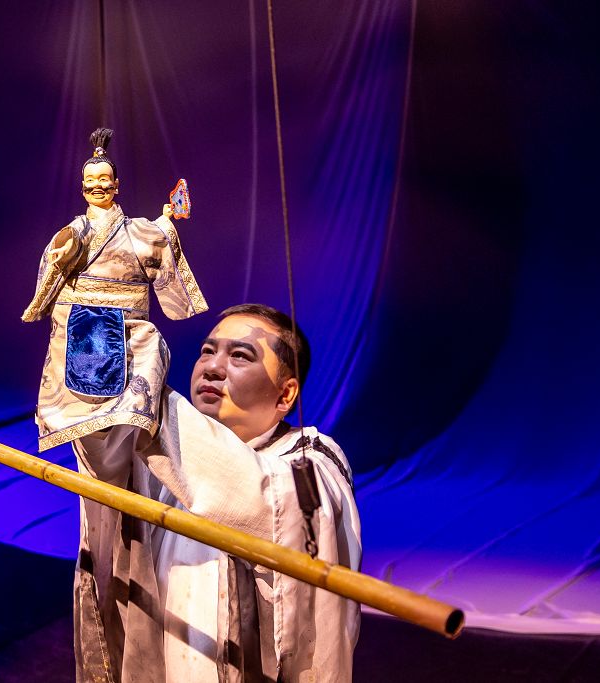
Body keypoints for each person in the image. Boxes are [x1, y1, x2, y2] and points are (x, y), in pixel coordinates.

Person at [70, 304, 361, 682]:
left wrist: (141, 396)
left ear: (285, 394)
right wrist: (96, 315)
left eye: (240, 355)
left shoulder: (312, 460)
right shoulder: (162, 461)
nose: (212, 367)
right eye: (207, 351)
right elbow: (102, 441)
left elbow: (265, 503)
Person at [22, 128, 207, 451]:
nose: (97, 185)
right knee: (87, 429)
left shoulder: (135, 230)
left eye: (104, 179)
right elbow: (70, 241)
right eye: (90, 180)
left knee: (151, 353)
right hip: (77, 324)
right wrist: (65, 249)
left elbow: (154, 239)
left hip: (127, 325)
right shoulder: (76, 229)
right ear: (82, 187)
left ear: (117, 185)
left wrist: (165, 223)